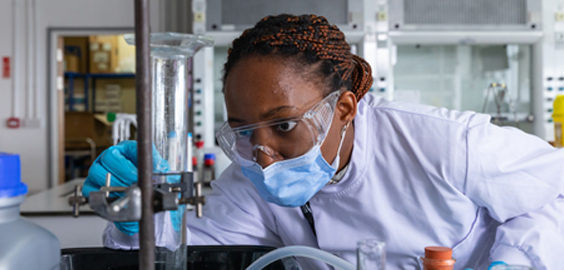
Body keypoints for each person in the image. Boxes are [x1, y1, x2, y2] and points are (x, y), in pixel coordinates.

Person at [83, 14, 564, 270]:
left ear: (344, 109)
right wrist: (133, 216)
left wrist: (516, 261)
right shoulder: (252, 181)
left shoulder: (444, 144)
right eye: (244, 132)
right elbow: (180, 249)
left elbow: (555, 191)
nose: (264, 155)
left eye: (284, 125)